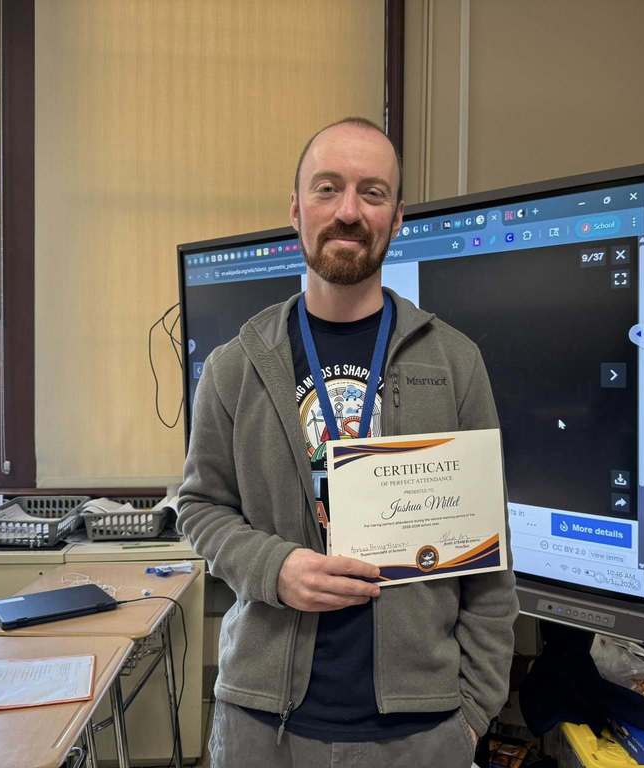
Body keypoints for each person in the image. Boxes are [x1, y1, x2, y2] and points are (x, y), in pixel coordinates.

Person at [178, 117, 518, 767]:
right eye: (328, 188)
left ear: (397, 217)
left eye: (373, 192)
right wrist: (274, 568)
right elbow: (199, 507)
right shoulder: (235, 365)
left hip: (422, 734)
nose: (349, 211)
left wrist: (473, 716)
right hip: (263, 729)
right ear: (296, 209)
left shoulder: (455, 363)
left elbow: (489, 556)